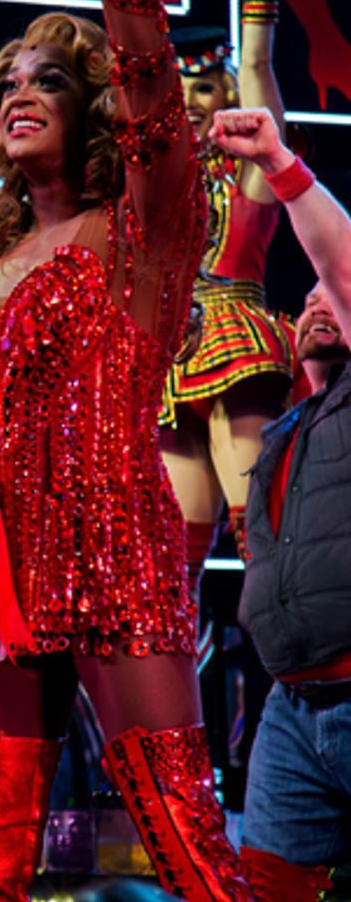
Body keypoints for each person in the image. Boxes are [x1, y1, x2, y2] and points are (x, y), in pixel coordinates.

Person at [0, 0, 253, 897]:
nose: (21, 94)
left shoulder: (140, 234)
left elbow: (158, 101)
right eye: (8, 85)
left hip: (110, 548)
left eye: (50, 80)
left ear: (95, 110)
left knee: (186, 840)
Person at [209, 105, 351, 901]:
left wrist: (281, 165)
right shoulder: (283, 433)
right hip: (291, 707)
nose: (319, 303)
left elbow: (343, 265)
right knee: (267, 887)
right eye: (307, 303)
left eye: (332, 297)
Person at [159, 0, 294, 580]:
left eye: (206, 87)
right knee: (172, 566)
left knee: (262, 542)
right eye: (180, 87)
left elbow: (260, 64)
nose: (190, 99)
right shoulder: (150, 190)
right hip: (167, 357)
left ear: (230, 99)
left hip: (237, 351)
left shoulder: (252, 174)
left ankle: (298, 675)